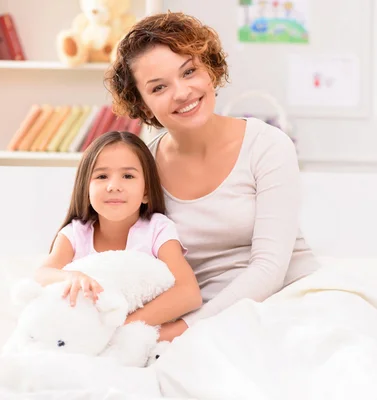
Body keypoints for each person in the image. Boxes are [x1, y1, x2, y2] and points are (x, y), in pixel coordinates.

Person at [105, 11, 320, 342]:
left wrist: (185, 331)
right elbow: (121, 255)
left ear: (210, 69)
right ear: (144, 106)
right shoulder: (141, 167)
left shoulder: (268, 145)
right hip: (204, 320)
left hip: (289, 300)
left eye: (189, 71)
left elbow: (269, 269)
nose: (182, 92)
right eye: (159, 87)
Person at [33, 131, 202, 341]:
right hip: (86, 335)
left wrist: (119, 328)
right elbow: (42, 275)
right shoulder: (76, 233)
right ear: (86, 189)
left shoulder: (157, 229)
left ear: (146, 192)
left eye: (128, 176)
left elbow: (189, 293)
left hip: (130, 333)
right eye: (102, 176)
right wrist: (71, 276)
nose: (114, 186)